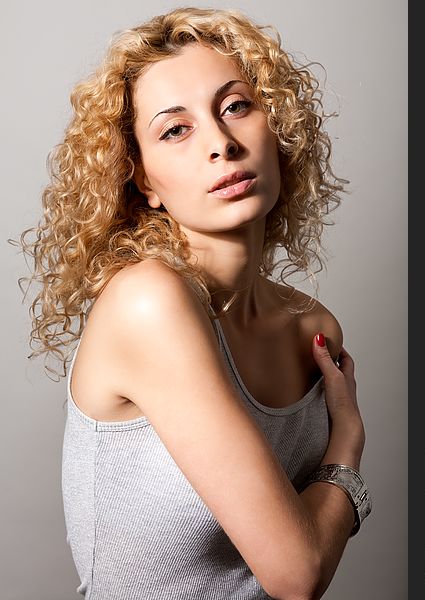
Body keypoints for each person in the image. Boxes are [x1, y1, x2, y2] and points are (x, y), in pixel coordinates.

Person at [18, 7, 371, 599]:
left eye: (236, 106)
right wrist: (348, 449)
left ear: (277, 127)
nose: (222, 145)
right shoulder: (147, 304)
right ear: (144, 182)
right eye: (175, 130)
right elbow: (298, 571)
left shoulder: (312, 327)